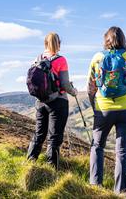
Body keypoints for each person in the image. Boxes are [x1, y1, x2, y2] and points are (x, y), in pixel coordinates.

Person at [87, 26, 126, 193]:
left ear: (106, 40)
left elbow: (90, 87)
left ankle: (95, 186)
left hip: (103, 109)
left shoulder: (97, 58)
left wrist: (95, 107)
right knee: (123, 150)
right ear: (123, 40)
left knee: (97, 146)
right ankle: (121, 191)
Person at [27, 32, 78, 169]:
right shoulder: (61, 60)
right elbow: (65, 84)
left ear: (45, 44)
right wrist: (74, 92)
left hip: (40, 102)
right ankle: (51, 168)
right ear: (59, 44)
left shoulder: (37, 59)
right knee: (54, 137)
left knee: (39, 134)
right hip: (58, 102)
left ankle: (29, 163)